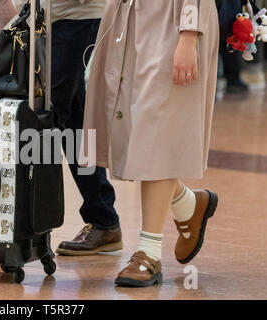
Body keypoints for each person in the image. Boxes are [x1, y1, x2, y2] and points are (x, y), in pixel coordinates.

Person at [82, 0, 219, 287]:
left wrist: (189, 33)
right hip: (127, 17)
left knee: (158, 129)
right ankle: (187, 204)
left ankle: (149, 252)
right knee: (136, 133)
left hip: (174, 19)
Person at [12, 0, 123, 256]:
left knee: (46, 121)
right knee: (73, 124)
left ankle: (28, 227)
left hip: (76, 16)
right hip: (51, 17)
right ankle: (103, 218)